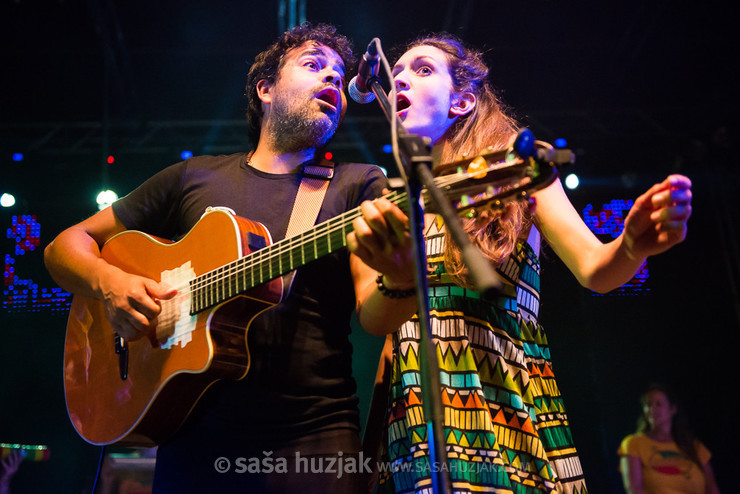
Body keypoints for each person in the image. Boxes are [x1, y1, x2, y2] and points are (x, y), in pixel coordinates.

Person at [44, 22, 415, 493]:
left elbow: (375, 314)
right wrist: (109, 284)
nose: (333, 82)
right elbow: (64, 247)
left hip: (311, 439)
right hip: (190, 437)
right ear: (265, 89)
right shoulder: (192, 177)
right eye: (314, 65)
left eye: (340, 77)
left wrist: (401, 279)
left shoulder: (358, 185)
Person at [348, 33, 693, 493]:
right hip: (418, 416)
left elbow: (594, 268)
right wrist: (396, 274)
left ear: (462, 101)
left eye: (423, 69)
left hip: (512, 406)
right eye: (398, 71)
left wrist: (630, 246)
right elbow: (372, 318)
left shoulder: (516, 166)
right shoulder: (383, 202)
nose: (400, 80)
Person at [618, 383, 720, 494]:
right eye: (648, 404)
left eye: (658, 404)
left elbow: (712, 489)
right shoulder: (633, 444)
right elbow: (635, 489)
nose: (652, 409)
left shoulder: (694, 446)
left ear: (672, 409)